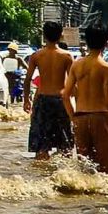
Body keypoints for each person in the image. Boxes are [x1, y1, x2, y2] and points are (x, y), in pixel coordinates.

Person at [62, 24, 108, 174]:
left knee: (86, 171)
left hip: (80, 118)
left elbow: (65, 95)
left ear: (87, 41)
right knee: (106, 171)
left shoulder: (77, 65)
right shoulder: (106, 68)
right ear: (107, 42)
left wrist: (73, 118)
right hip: (100, 119)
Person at [23, 21, 75, 160]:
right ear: (60, 36)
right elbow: (73, 82)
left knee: (41, 146)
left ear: (44, 35)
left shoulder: (36, 56)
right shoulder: (67, 56)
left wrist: (26, 100)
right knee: (65, 145)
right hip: (60, 100)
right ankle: (66, 176)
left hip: (42, 100)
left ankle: (40, 176)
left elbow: (27, 80)